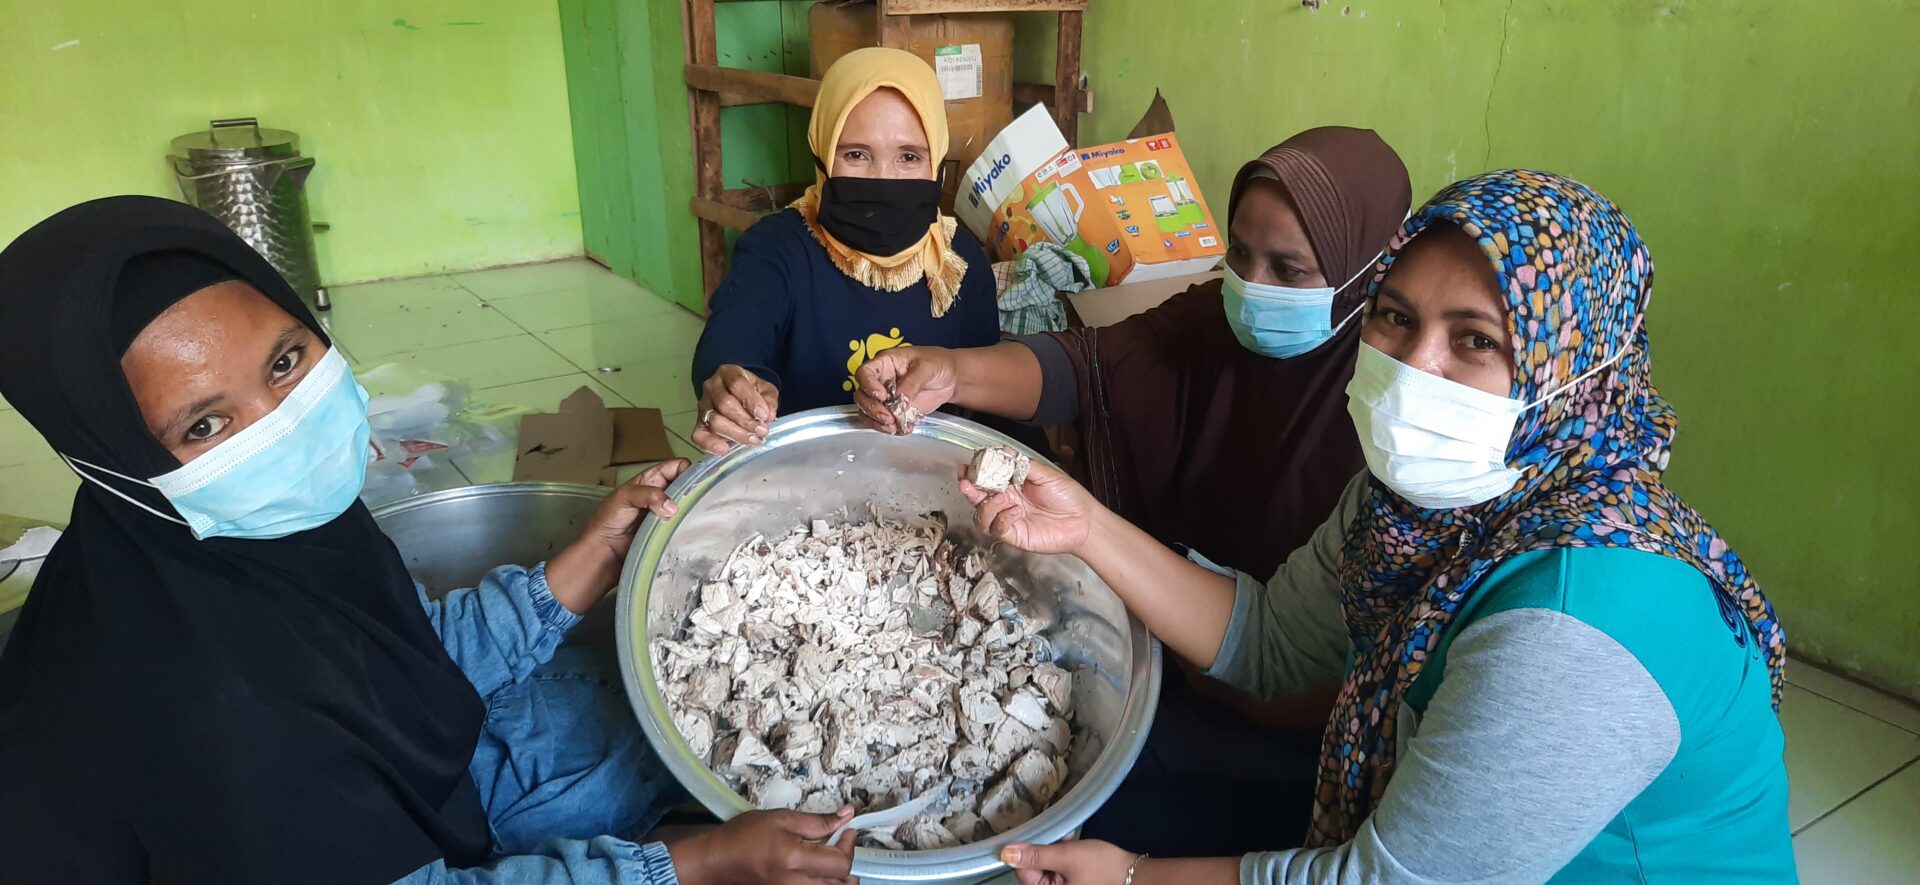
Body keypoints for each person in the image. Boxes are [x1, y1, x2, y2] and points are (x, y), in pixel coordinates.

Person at [964, 170, 1798, 883]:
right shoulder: (1415, 506)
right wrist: (1085, 528)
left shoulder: (1576, 622)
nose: (1411, 364)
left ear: (1574, 375)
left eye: (1475, 340)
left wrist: (1136, 873)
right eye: (1394, 315)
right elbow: (1266, 642)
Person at [0, 196, 858, 885]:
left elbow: (395, 654)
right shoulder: (212, 715)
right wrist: (693, 864)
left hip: (377, 780)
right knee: (661, 759)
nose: (281, 424)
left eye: (285, 360)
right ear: (118, 452)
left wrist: (584, 562)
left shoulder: (230, 524)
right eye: (206, 422)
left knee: (652, 706)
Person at [858, 128, 1412, 854]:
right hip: (1182, 645)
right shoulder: (1213, 323)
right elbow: (1087, 366)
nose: (1252, 285)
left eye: (1290, 268)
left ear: (1368, 272)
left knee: (1094, 820)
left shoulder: (1388, 426)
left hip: (1289, 733)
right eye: (1239, 253)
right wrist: (952, 372)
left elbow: (1330, 671)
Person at [688, 47, 999, 455]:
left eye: (909, 157)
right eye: (856, 154)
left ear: (938, 161)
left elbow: (987, 390)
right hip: (803, 475)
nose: (883, 179)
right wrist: (732, 383)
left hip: (932, 475)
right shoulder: (778, 247)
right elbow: (735, 333)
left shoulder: (959, 261)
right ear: (821, 153)